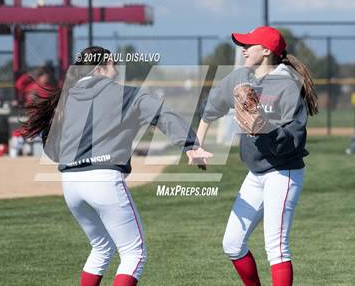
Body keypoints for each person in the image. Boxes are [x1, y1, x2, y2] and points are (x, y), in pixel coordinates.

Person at [21, 46, 212, 286]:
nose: (116, 67)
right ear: (100, 68)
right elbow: (162, 113)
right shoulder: (125, 94)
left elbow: (52, 148)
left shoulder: (67, 97)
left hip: (70, 184)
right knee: (135, 254)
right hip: (103, 181)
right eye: (112, 63)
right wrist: (191, 145)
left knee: (101, 249)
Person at [196, 26, 318, 286]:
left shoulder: (287, 83)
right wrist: (198, 144)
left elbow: (295, 137)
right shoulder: (241, 76)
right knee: (232, 243)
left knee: (276, 247)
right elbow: (212, 106)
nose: (243, 48)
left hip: (283, 172)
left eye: (249, 45)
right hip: (256, 173)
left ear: (266, 51)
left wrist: (265, 129)